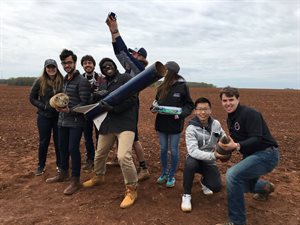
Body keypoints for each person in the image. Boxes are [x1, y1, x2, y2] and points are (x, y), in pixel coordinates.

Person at [216, 86, 279, 225]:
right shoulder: (230, 118)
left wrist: (236, 146)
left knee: (232, 175)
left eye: (231, 99)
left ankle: (237, 222)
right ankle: (265, 187)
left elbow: (256, 138)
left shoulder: (250, 114)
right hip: (252, 156)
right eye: (224, 100)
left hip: (267, 154)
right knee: (239, 185)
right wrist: (224, 151)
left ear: (238, 99)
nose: (228, 103)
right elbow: (236, 142)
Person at [83, 57, 139, 209]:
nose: (107, 67)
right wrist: (95, 97)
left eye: (109, 64)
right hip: (108, 124)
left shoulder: (125, 78)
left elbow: (133, 99)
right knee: (100, 153)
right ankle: (98, 176)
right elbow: (98, 102)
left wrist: (113, 108)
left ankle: (132, 189)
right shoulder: (102, 82)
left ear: (114, 66)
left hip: (125, 123)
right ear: (101, 71)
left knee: (123, 156)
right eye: (104, 66)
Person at [105, 13, 150, 181]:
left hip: (131, 106)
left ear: (141, 58)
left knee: (133, 138)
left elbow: (123, 52)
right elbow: (119, 53)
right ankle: (120, 159)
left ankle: (144, 167)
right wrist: (112, 33)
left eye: (135, 54)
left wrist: (116, 31)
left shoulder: (139, 69)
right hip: (123, 105)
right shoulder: (129, 69)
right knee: (119, 131)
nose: (132, 55)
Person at [46, 49, 91, 195]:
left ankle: (75, 180)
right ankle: (63, 173)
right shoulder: (65, 79)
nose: (67, 65)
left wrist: (69, 110)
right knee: (62, 147)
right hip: (62, 121)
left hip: (76, 121)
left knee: (73, 149)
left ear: (75, 63)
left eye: (69, 62)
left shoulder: (82, 81)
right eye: (64, 63)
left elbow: (84, 103)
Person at [181, 97, 228, 212]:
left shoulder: (216, 124)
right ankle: (186, 195)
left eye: (205, 109)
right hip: (195, 159)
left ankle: (204, 181)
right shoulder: (191, 128)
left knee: (216, 187)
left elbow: (223, 137)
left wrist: (230, 146)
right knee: (190, 164)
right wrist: (214, 156)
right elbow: (193, 151)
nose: (203, 112)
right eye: (200, 109)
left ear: (210, 110)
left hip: (209, 162)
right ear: (195, 111)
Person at [153, 61, 194, 188]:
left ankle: (172, 175)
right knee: (164, 149)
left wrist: (181, 114)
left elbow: (189, 105)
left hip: (175, 124)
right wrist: (154, 107)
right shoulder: (161, 86)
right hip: (162, 123)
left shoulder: (182, 86)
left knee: (174, 151)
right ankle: (164, 173)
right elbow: (156, 102)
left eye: (166, 70)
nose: (164, 72)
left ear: (172, 72)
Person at [29, 59, 64, 176]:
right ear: (45, 68)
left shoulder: (62, 80)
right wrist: (43, 106)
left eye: (53, 67)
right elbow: (32, 98)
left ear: (56, 68)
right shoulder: (39, 81)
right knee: (44, 141)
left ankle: (60, 165)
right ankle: (41, 165)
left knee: (59, 142)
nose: (51, 69)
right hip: (44, 116)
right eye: (48, 67)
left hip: (58, 116)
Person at [80, 55, 106, 171]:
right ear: (83, 66)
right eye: (85, 63)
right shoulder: (80, 78)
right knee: (87, 137)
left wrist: (96, 95)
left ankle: (99, 160)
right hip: (85, 112)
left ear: (94, 65)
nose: (87, 65)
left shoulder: (101, 78)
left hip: (98, 111)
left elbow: (105, 92)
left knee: (100, 136)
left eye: (89, 62)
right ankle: (90, 158)